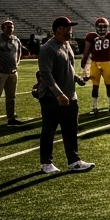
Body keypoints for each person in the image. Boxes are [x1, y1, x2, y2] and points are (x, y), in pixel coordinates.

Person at [37, 17, 95, 174]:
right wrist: (59, 94)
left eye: (71, 27)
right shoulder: (48, 48)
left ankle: (74, 161)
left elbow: (69, 67)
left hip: (70, 95)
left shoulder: (67, 45)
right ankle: (46, 163)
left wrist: (78, 79)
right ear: (58, 29)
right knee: (49, 129)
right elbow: (46, 75)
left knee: (70, 130)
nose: (71, 30)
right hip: (51, 97)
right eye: (67, 27)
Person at [81, 17, 110, 114]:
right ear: (96, 27)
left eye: (104, 27)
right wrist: (84, 65)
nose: (102, 29)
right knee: (95, 86)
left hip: (107, 62)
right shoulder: (91, 36)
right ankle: (94, 106)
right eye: (100, 27)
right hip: (95, 63)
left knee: (109, 85)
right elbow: (86, 51)